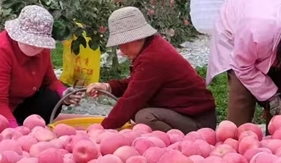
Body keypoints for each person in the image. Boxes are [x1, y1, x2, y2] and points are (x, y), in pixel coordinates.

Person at [85, 7, 216, 132]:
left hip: (198, 122)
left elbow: (131, 100)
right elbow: (137, 83)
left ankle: (179, 144)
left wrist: (102, 130)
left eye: (122, 44)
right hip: (185, 113)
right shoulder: (152, 45)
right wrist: (108, 87)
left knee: (144, 116)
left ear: (134, 39)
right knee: (138, 111)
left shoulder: (153, 58)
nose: (122, 51)